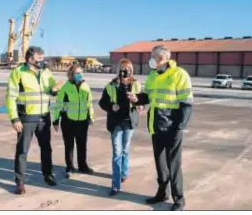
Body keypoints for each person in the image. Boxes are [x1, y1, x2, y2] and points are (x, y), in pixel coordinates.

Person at [127, 45, 193, 211]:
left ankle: (179, 199)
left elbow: (187, 103)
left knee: (174, 164)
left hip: (173, 127)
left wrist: (180, 127)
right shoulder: (153, 75)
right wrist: (136, 99)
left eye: (153, 56)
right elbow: (147, 97)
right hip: (156, 126)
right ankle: (162, 193)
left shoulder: (179, 74)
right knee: (160, 163)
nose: (150, 59)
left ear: (163, 57)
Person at [5, 46, 63, 195]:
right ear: (30, 59)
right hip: (26, 118)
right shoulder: (18, 73)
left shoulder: (46, 72)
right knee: (22, 151)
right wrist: (14, 118)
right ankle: (20, 182)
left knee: (46, 148)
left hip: (44, 117)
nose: (43, 61)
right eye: (39, 59)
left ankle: (48, 175)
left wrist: (55, 89)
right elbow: (10, 97)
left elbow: (51, 91)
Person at [98, 58, 143, 196]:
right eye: (123, 69)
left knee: (125, 150)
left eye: (128, 69)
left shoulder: (136, 85)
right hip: (116, 123)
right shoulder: (111, 85)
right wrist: (111, 107)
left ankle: (124, 173)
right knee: (117, 153)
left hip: (129, 123)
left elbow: (141, 100)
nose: (125, 72)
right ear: (119, 70)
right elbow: (102, 102)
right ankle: (115, 184)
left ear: (131, 71)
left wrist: (140, 105)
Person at [52, 63, 95, 177]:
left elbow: (89, 103)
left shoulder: (86, 86)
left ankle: (83, 165)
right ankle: (70, 167)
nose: (80, 75)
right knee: (69, 145)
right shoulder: (65, 88)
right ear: (71, 74)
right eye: (77, 73)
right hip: (68, 122)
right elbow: (59, 105)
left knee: (82, 145)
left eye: (81, 73)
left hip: (82, 121)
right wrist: (56, 121)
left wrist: (90, 117)